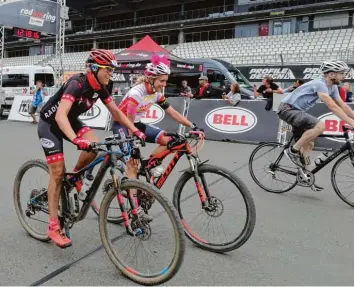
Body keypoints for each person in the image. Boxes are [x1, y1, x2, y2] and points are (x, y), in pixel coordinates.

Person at [37, 49, 146, 248]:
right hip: (50, 125)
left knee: (94, 145)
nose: (110, 74)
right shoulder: (76, 84)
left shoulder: (102, 87)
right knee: (57, 172)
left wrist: (135, 131)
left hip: (71, 121)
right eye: (108, 70)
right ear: (94, 68)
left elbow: (116, 112)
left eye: (112, 70)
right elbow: (60, 116)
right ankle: (53, 226)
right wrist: (74, 139)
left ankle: (76, 177)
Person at [112, 54, 203, 180]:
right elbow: (129, 122)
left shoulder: (157, 95)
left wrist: (193, 126)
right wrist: (133, 144)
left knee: (170, 141)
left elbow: (173, 113)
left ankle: (149, 165)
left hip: (136, 123)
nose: (164, 84)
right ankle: (132, 193)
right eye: (162, 81)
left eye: (166, 80)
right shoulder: (136, 93)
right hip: (123, 124)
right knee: (133, 164)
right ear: (150, 79)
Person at [278, 60, 354, 190]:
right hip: (287, 109)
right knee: (320, 126)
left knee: (309, 144)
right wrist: (351, 122)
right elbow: (332, 106)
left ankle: (307, 176)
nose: (344, 76)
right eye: (341, 73)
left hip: (298, 111)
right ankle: (293, 151)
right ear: (331, 74)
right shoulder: (320, 84)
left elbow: (343, 105)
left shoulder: (333, 87)